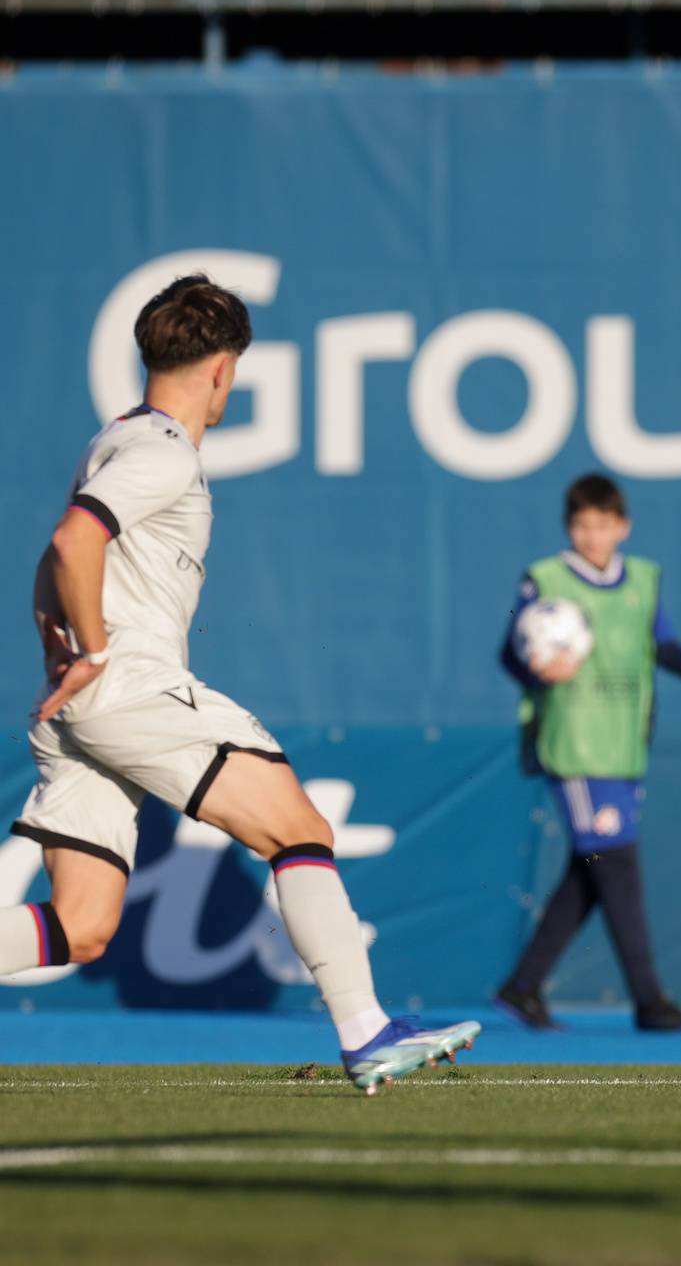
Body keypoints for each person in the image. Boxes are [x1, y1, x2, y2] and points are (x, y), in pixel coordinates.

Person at [3, 274, 479, 1094]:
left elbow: (59, 557)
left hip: (84, 704)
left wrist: (61, 652)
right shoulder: (159, 451)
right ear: (223, 370)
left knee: (81, 928)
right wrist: (89, 651)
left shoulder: (113, 437)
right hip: (131, 687)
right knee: (298, 828)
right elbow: (73, 539)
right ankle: (366, 1031)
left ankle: (367, 1030)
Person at [495, 473, 681, 1033]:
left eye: (602, 525)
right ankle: (649, 1000)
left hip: (623, 746)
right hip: (574, 745)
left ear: (621, 527)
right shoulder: (547, 580)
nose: (591, 536)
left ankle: (522, 986)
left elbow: (661, 643)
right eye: (581, 525)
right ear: (568, 528)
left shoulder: (642, 580)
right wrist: (536, 667)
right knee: (616, 863)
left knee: (591, 869)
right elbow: (510, 651)